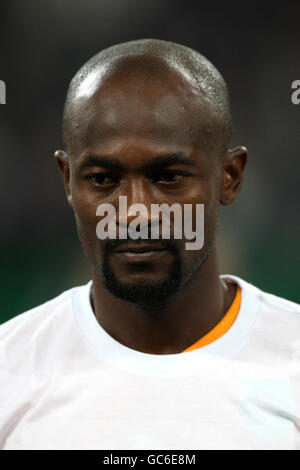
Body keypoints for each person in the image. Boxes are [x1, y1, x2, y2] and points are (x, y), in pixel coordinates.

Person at [0, 39, 299, 450]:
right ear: (67, 180)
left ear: (229, 176)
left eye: (169, 176)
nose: (135, 212)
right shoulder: (9, 371)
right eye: (103, 179)